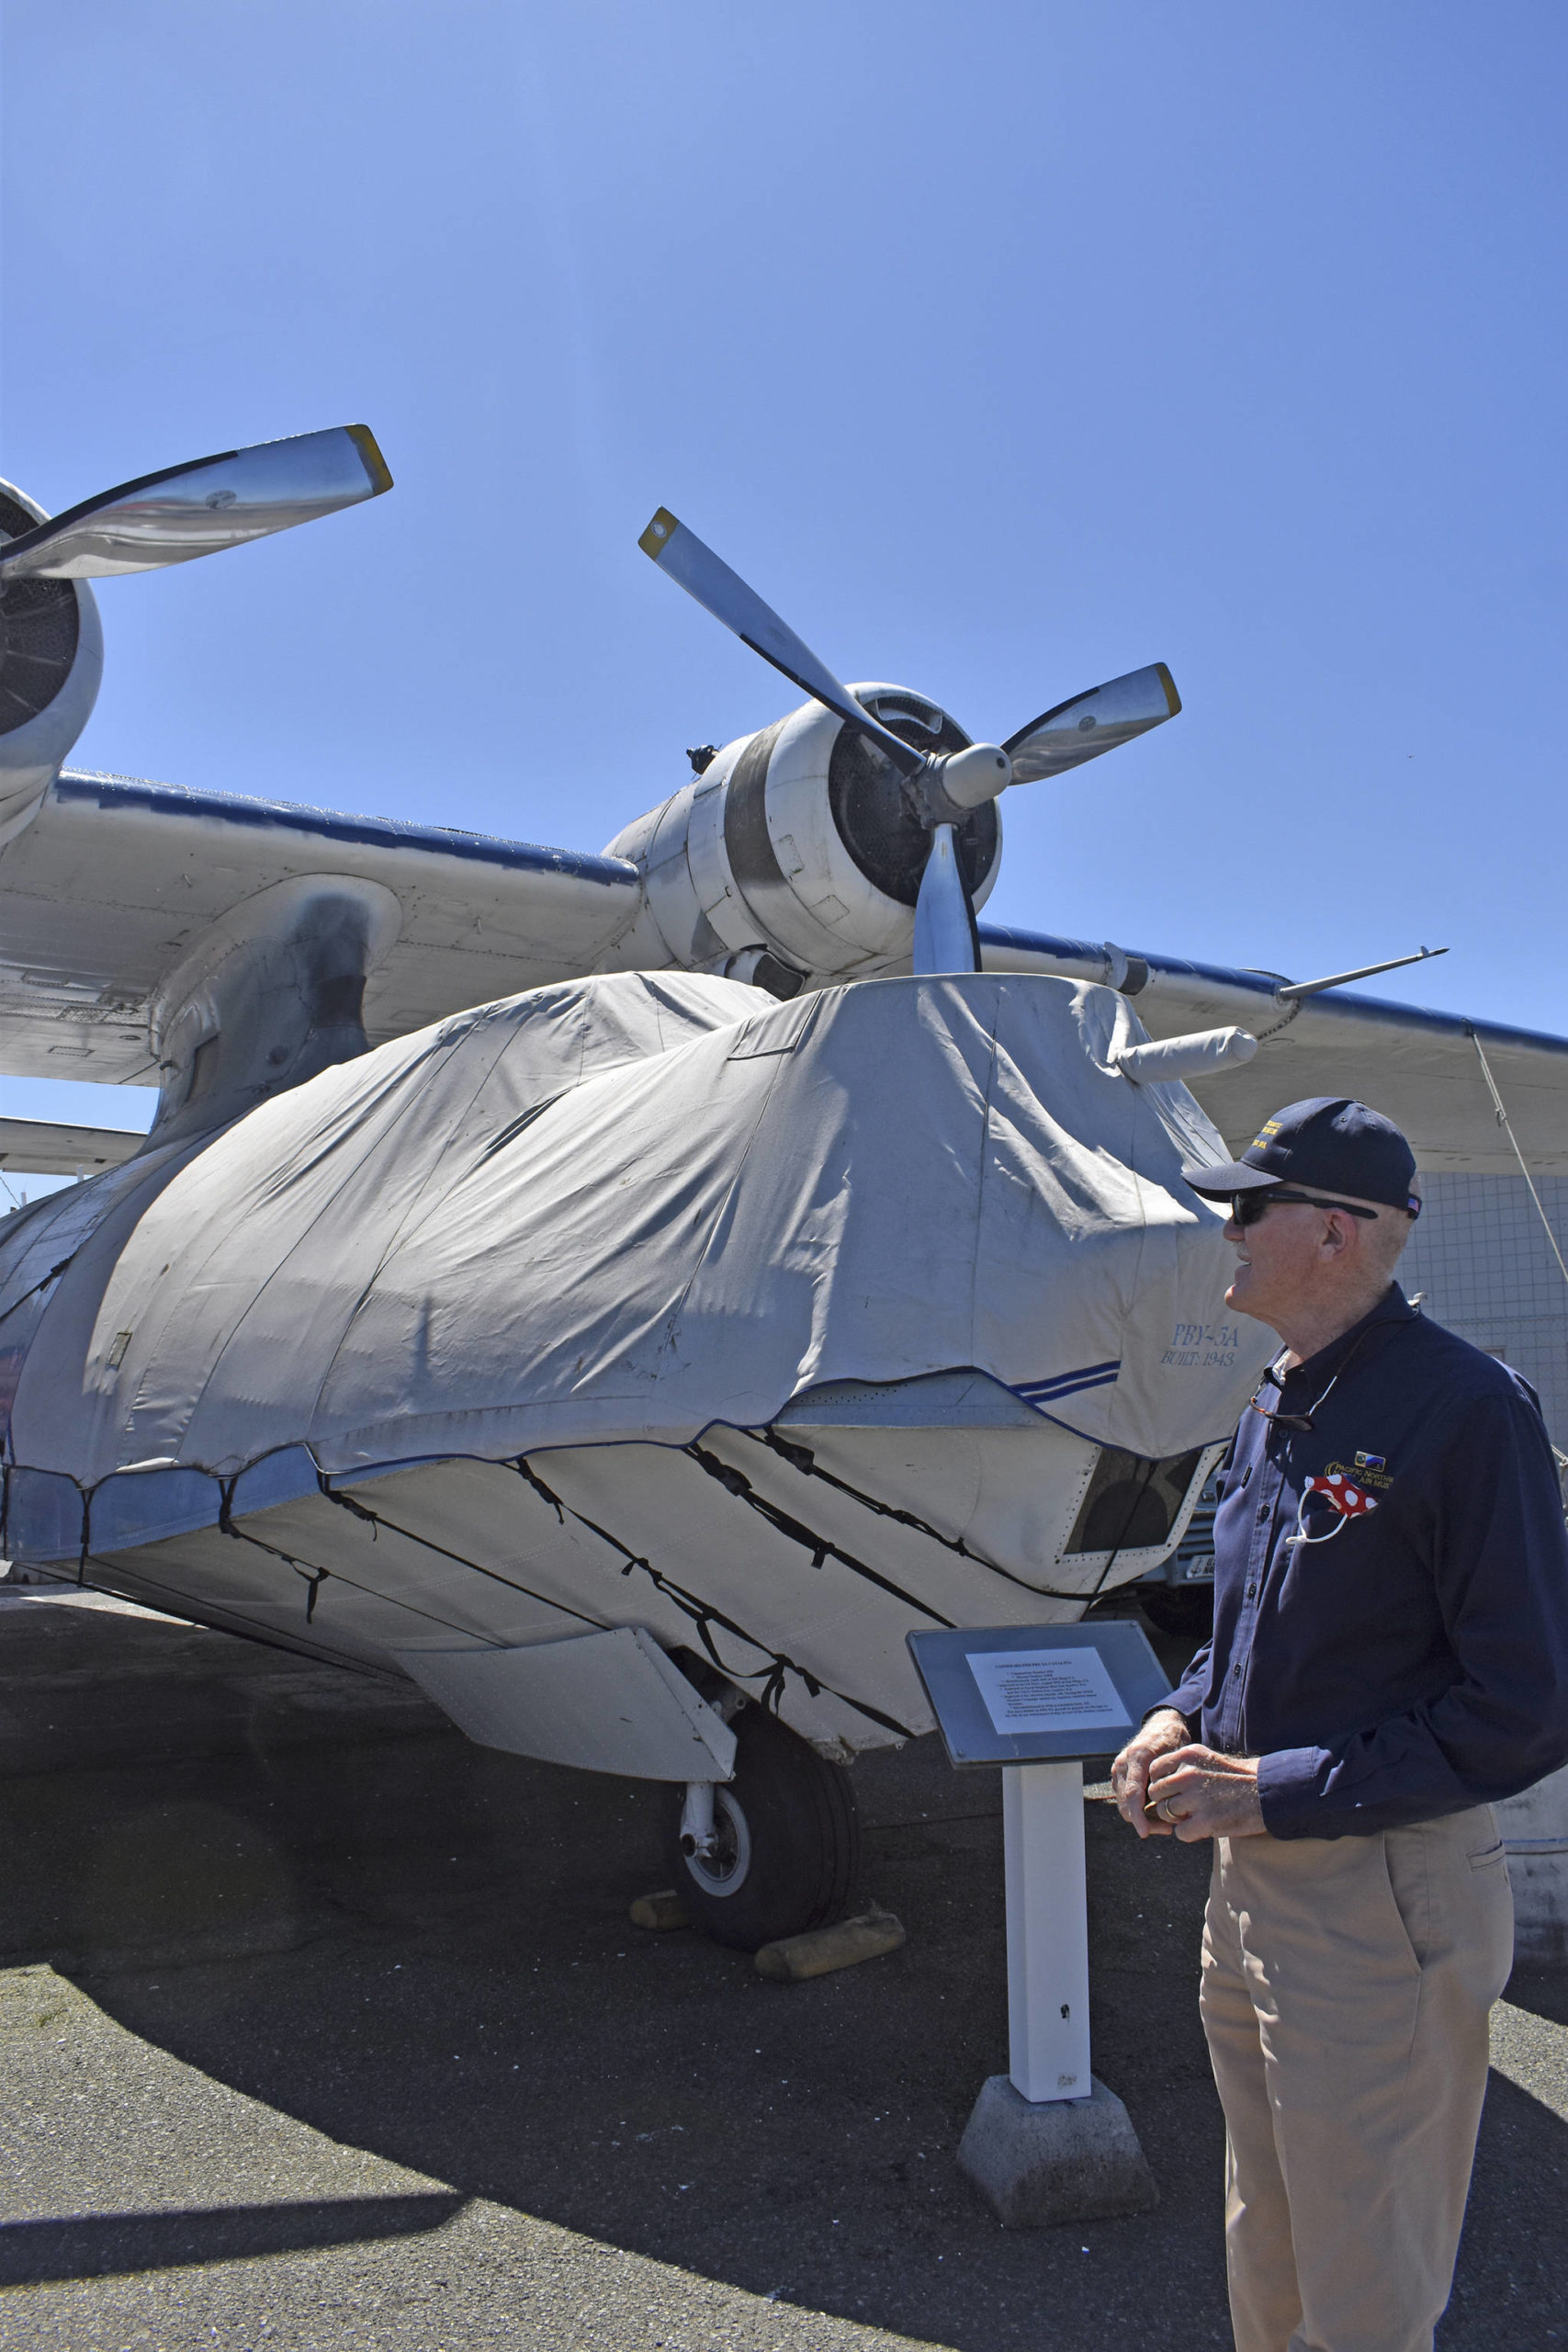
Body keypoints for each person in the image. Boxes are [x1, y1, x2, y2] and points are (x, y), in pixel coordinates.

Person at [1110, 1094, 1568, 2352]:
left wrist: (1270, 1791)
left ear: (1337, 1232)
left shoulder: (1468, 1410)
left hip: (1382, 1893)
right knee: (1271, 2247)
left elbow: (1525, 1707)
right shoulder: (1281, 1397)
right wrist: (1176, 1709)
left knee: (1366, 2285)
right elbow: (1248, 1622)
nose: (1229, 1232)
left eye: (1250, 1208)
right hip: (1253, 1888)